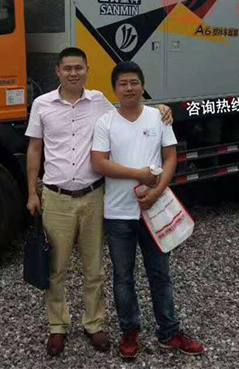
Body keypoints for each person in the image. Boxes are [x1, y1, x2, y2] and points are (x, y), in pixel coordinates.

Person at [25, 47, 171, 357]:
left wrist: (161, 109)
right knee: (56, 268)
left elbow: (129, 109)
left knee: (94, 268)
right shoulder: (42, 105)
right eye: (67, 68)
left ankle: (94, 324)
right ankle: (58, 326)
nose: (73, 73)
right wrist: (32, 192)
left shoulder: (99, 102)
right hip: (57, 197)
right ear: (58, 71)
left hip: (93, 196)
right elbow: (35, 149)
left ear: (87, 70)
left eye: (78, 67)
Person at [91, 61, 205, 359]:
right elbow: (99, 163)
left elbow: (170, 158)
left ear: (143, 86)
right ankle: (130, 332)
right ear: (114, 89)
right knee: (123, 277)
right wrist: (138, 175)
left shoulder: (158, 117)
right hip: (118, 214)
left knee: (160, 274)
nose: (129, 88)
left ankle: (169, 332)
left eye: (134, 82)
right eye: (123, 83)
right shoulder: (106, 122)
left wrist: (155, 192)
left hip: (153, 212)